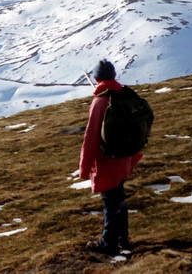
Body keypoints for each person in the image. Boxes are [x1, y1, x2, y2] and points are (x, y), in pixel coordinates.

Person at [79, 59, 142, 255]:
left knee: (110, 201)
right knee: (119, 197)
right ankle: (123, 238)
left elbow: (91, 138)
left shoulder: (100, 102)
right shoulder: (124, 95)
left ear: (97, 78)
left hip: (107, 161)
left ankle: (109, 242)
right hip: (125, 157)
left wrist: (84, 168)